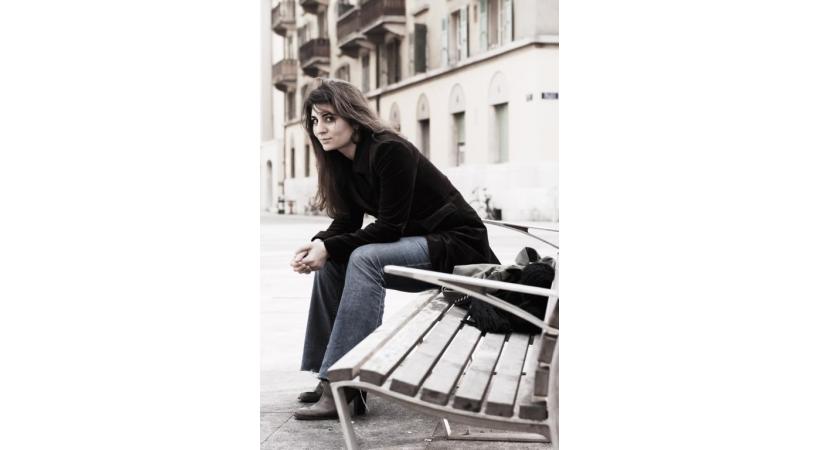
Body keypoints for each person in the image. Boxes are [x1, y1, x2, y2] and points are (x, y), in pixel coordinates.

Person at [291, 79, 498, 420]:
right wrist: (319, 244)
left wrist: (329, 247)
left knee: (364, 257)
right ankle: (327, 371)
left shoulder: (389, 150)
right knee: (334, 260)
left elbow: (389, 227)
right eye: (315, 120)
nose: (320, 129)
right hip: (422, 246)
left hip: (457, 245)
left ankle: (344, 384)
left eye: (329, 118)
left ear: (353, 118)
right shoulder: (341, 161)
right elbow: (346, 222)